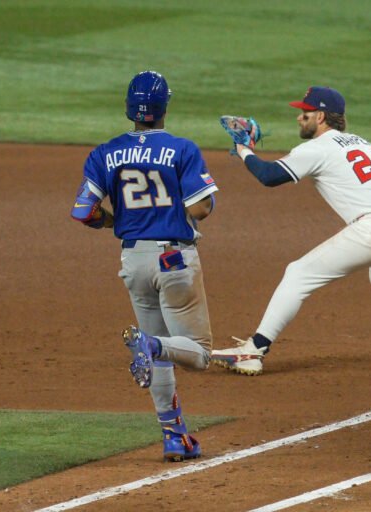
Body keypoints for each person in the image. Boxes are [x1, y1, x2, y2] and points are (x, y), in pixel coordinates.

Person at [211, 86, 371, 376]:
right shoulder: (366, 144)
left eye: (305, 113)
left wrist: (243, 148)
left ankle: (254, 350)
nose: (300, 119)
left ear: (321, 116)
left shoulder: (317, 147)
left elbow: (269, 176)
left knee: (298, 273)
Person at [71, 70, 218, 461]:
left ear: (129, 109)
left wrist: (114, 221)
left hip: (132, 260)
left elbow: (84, 211)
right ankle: (149, 343)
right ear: (164, 107)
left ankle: (174, 437)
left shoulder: (105, 152)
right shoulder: (182, 149)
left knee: (160, 355)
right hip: (173, 259)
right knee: (200, 353)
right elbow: (200, 206)